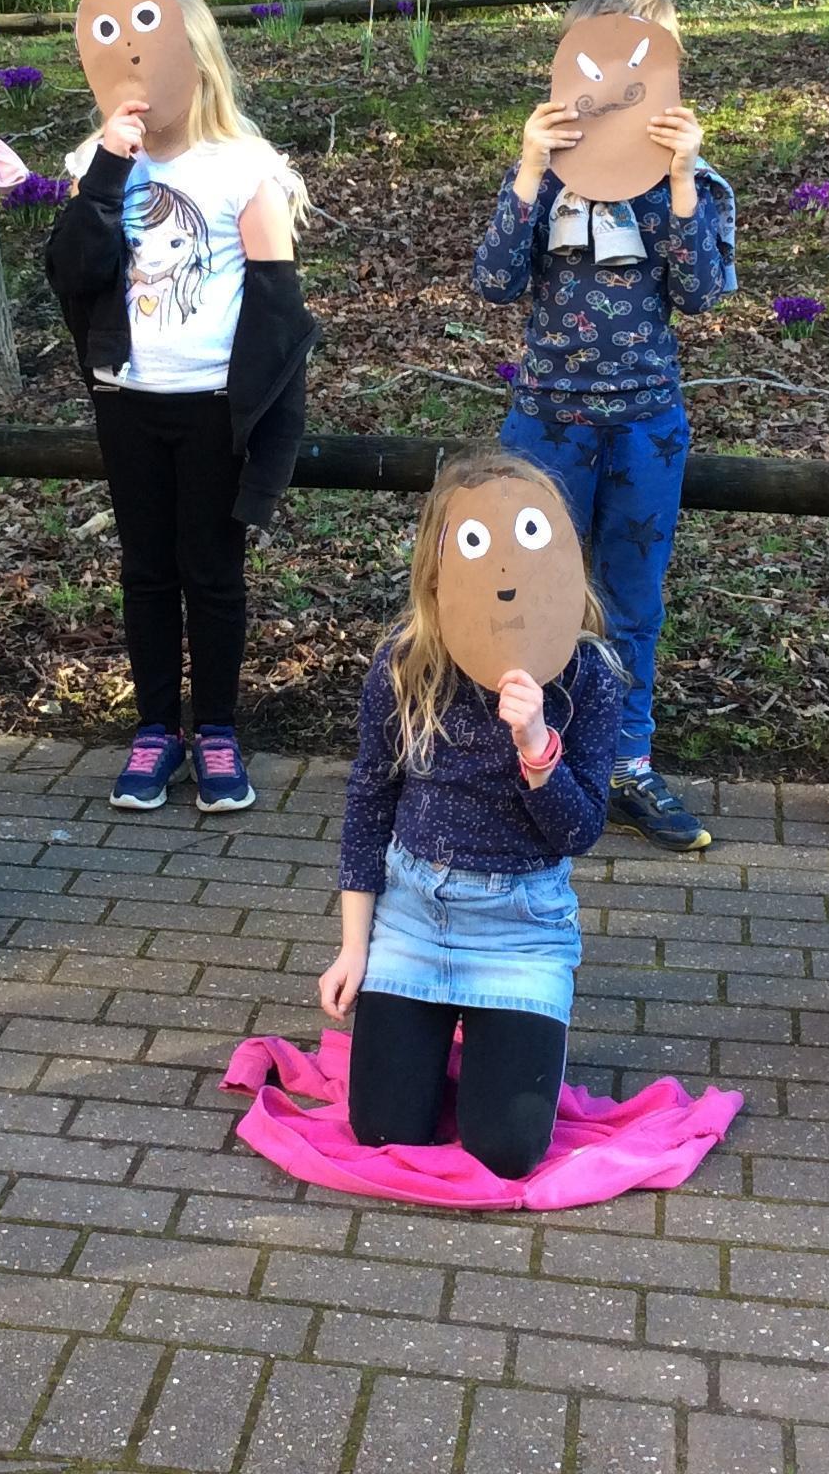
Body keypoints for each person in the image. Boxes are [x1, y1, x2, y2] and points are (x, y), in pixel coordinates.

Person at [473, 0, 736, 853]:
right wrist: (528, 169)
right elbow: (494, 281)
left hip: (644, 426)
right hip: (546, 422)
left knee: (631, 599)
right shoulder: (545, 176)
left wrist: (684, 180)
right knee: (532, 593)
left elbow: (701, 293)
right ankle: (527, 756)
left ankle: (626, 761)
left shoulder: (685, 181)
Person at [315, 448, 624, 1181]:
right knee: (384, 1131)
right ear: (437, 568)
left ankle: (504, 1037)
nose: (505, 576)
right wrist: (355, 948)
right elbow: (369, 802)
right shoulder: (405, 665)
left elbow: (579, 831)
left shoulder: (589, 678)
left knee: (507, 1151)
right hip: (412, 920)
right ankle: (437, 1036)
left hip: (522, 930)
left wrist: (537, 746)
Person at [44, 0, 315, 815]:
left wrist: (268, 432)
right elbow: (72, 271)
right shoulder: (98, 165)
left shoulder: (243, 166)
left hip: (213, 408)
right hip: (128, 400)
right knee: (147, 571)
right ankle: (156, 729)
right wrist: (107, 168)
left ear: (195, 63)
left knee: (213, 571)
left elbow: (279, 311)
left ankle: (218, 730)